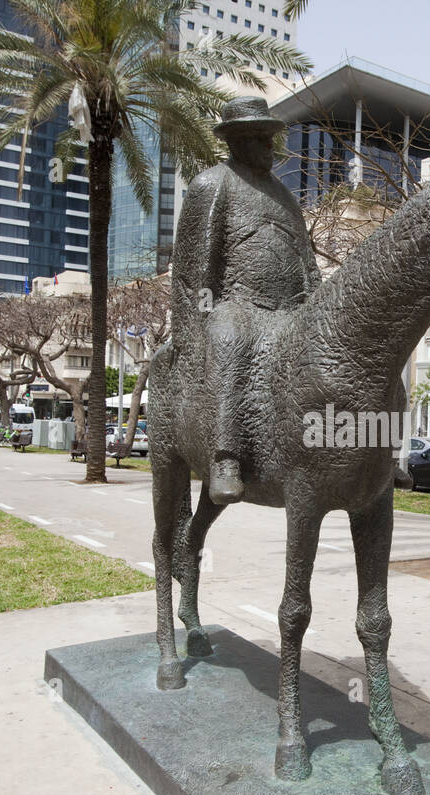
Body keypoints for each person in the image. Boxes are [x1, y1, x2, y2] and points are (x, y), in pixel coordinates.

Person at [170, 96, 320, 504]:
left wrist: (321, 307)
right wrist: (195, 327)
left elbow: (307, 260)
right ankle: (225, 458)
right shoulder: (212, 184)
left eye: (271, 138)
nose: (270, 147)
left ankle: (368, 453)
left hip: (292, 312)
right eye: (259, 138)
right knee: (227, 337)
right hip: (240, 305)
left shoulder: (286, 197)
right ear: (236, 141)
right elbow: (192, 266)